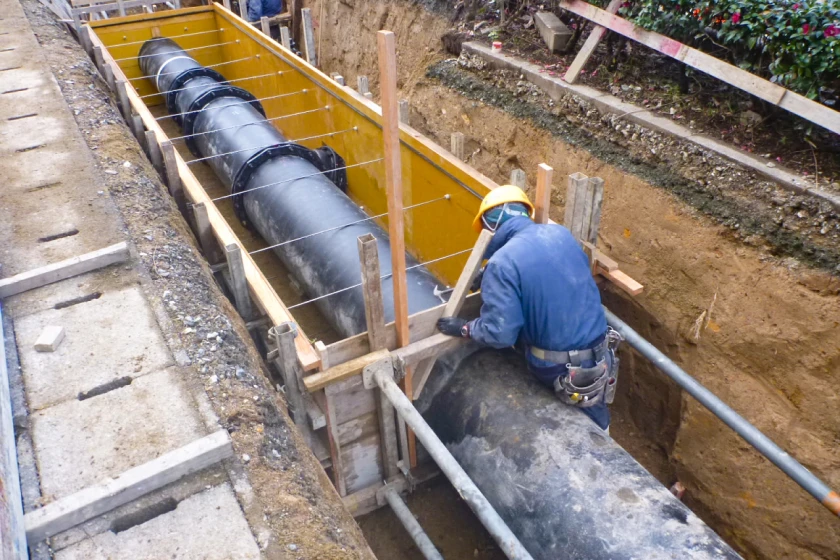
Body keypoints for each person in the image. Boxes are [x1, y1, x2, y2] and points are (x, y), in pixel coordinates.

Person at [436, 185, 621, 432]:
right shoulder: (561, 235)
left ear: (490, 228)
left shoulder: (503, 263)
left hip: (560, 368)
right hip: (600, 352)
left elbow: (500, 334)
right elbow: (553, 281)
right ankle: (604, 433)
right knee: (597, 417)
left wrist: (466, 328)